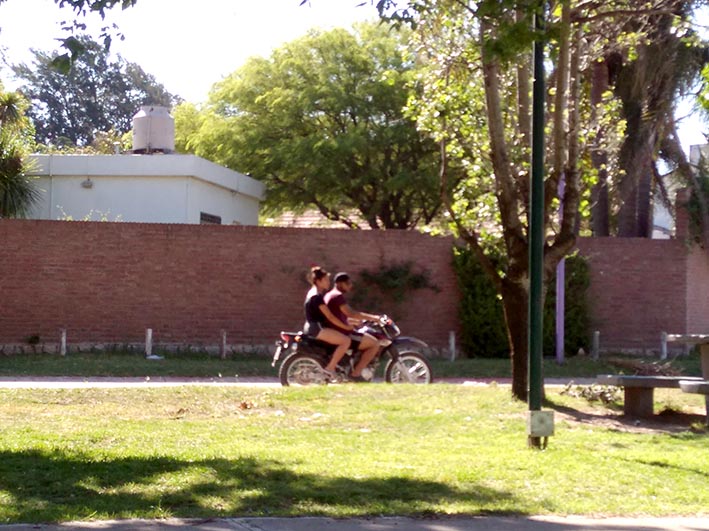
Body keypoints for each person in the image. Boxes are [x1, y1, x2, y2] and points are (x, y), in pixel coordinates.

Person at [324, 272, 382, 382]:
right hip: (342, 332)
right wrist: (374, 318)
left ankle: (352, 366)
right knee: (375, 344)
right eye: (348, 283)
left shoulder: (329, 295)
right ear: (339, 283)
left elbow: (339, 316)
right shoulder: (337, 296)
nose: (350, 286)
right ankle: (356, 374)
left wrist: (354, 322)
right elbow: (351, 313)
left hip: (336, 330)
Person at [303, 266, 354, 379]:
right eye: (325, 280)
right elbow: (330, 316)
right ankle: (330, 369)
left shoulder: (312, 293)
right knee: (345, 341)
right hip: (317, 329)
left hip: (312, 327)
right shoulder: (317, 297)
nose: (328, 282)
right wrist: (346, 327)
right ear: (318, 281)